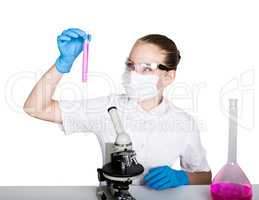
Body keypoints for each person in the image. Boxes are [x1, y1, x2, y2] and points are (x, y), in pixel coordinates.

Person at [24, 28, 212, 189]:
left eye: (146, 68)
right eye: (131, 65)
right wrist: (62, 64)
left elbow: (205, 176)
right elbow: (35, 108)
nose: (133, 74)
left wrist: (182, 177)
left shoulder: (183, 123)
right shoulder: (107, 108)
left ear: (168, 77)